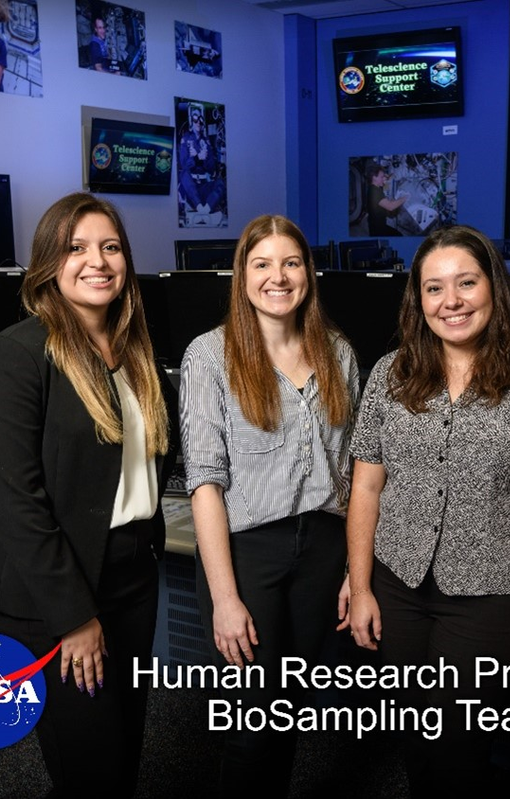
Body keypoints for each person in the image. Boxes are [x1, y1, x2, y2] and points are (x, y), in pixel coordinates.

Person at [345, 225, 510, 794]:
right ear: (417, 300)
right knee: (414, 734)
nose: (450, 301)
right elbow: (366, 488)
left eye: (466, 283)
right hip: (398, 585)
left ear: (494, 288)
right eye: (433, 288)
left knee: (459, 748)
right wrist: (361, 586)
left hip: (491, 596)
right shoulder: (390, 374)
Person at [0, 192, 177, 795]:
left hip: (132, 576)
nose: (98, 261)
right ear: (48, 262)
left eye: (111, 247)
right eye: (77, 248)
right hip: (54, 594)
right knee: (90, 768)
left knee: (122, 755)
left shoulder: (138, 357)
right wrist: (74, 618)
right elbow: (16, 504)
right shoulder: (17, 354)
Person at [181, 215, 359, 795]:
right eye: (262, 264)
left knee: (290, 712)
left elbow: (355, 474)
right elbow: (204, 482)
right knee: (251, 720)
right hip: (248, 554)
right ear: (242, 275)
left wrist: (356, 570)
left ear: (309, 272)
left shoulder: (337, 353)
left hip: (323, 553)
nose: (277, 277)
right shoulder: (210, 356)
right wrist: (226, 598)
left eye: (291, 263)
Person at [366, 162, 407, 236]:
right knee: (399, 235)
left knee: (398, 234)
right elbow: (390, 207)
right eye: (382, 177)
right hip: (378, 230)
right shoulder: (374, 192)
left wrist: (386, 179)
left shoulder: (375, 187)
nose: (384, 178)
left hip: (378, 225)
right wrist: (404, 198)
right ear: (374, 177)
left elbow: (384, 185)